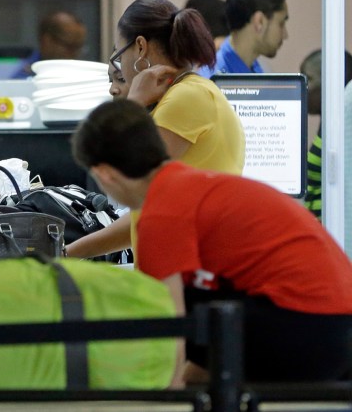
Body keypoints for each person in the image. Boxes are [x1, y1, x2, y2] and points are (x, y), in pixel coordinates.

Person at [71, 98, 352, 384]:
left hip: (307, 330)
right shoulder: (192, 184)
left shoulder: (162, 212)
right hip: (337, 327)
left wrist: (166, 397)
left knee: (165, 305)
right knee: (199, 297)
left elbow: (169, 329)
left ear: (103, 174)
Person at [65, 0, 244, 259]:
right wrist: (65, 253)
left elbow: (122, 181)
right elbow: (142, 217)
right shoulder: (185, 95)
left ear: (140, 47)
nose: (120, 68)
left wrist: (134, 102)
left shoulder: (186, 98)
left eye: (119, 53)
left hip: (194, 273)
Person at [198, 0, 288, 78]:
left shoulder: (257, 68)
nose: (285, 35)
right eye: (281, 23)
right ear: (260, 22)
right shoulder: (212, 82)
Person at [301, 49, 352, 220]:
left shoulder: (341, 132)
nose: (303, 86)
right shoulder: (328, 125)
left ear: (330, 83)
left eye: (308, 78)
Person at [11, 10, 87, 79]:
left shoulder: (86, 76)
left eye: (79, 46)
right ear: (47, 41)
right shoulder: (24, 79)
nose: (75, 54)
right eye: (69, 46)